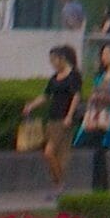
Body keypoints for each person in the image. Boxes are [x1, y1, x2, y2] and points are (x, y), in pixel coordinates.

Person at [75, 41, 110, 192]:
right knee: (97, 152)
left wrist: (104, 97)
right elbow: (93, 94)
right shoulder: (99, 76)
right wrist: (93, 98)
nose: (104, 57)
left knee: (101, 151)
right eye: (102, 54)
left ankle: (100, 186)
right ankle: (100, 186)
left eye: (107, 54)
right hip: (97, 116)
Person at [31, 44, 82, 188]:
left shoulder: (73, 76)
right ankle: (57, 184)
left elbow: (76, 96)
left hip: (63, 120)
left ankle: (61, 184)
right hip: (52, 119)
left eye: (54, 60)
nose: (52, 64)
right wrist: (31, 106)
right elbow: (46, 95)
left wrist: (69, 116)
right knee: (54, 155)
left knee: (51, 152)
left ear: (62, 59)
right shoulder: (55, 77)